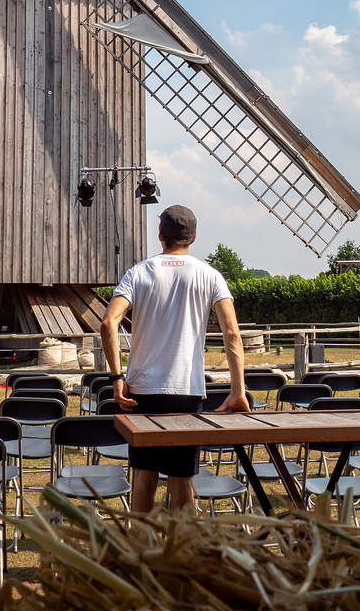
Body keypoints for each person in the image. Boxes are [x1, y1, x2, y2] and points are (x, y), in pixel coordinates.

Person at [99, 204, 248, 513]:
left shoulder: (139, 272)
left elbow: (108, 323)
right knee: (182, 479)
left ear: (160, 235)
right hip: (186, 389)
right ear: (193, 237)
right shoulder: (210, 276)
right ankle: (184, 554)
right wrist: (237, 390)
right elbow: (232, 334)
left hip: (142, 390)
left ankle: (140, 550)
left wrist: (116, 378)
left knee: (144, 477)